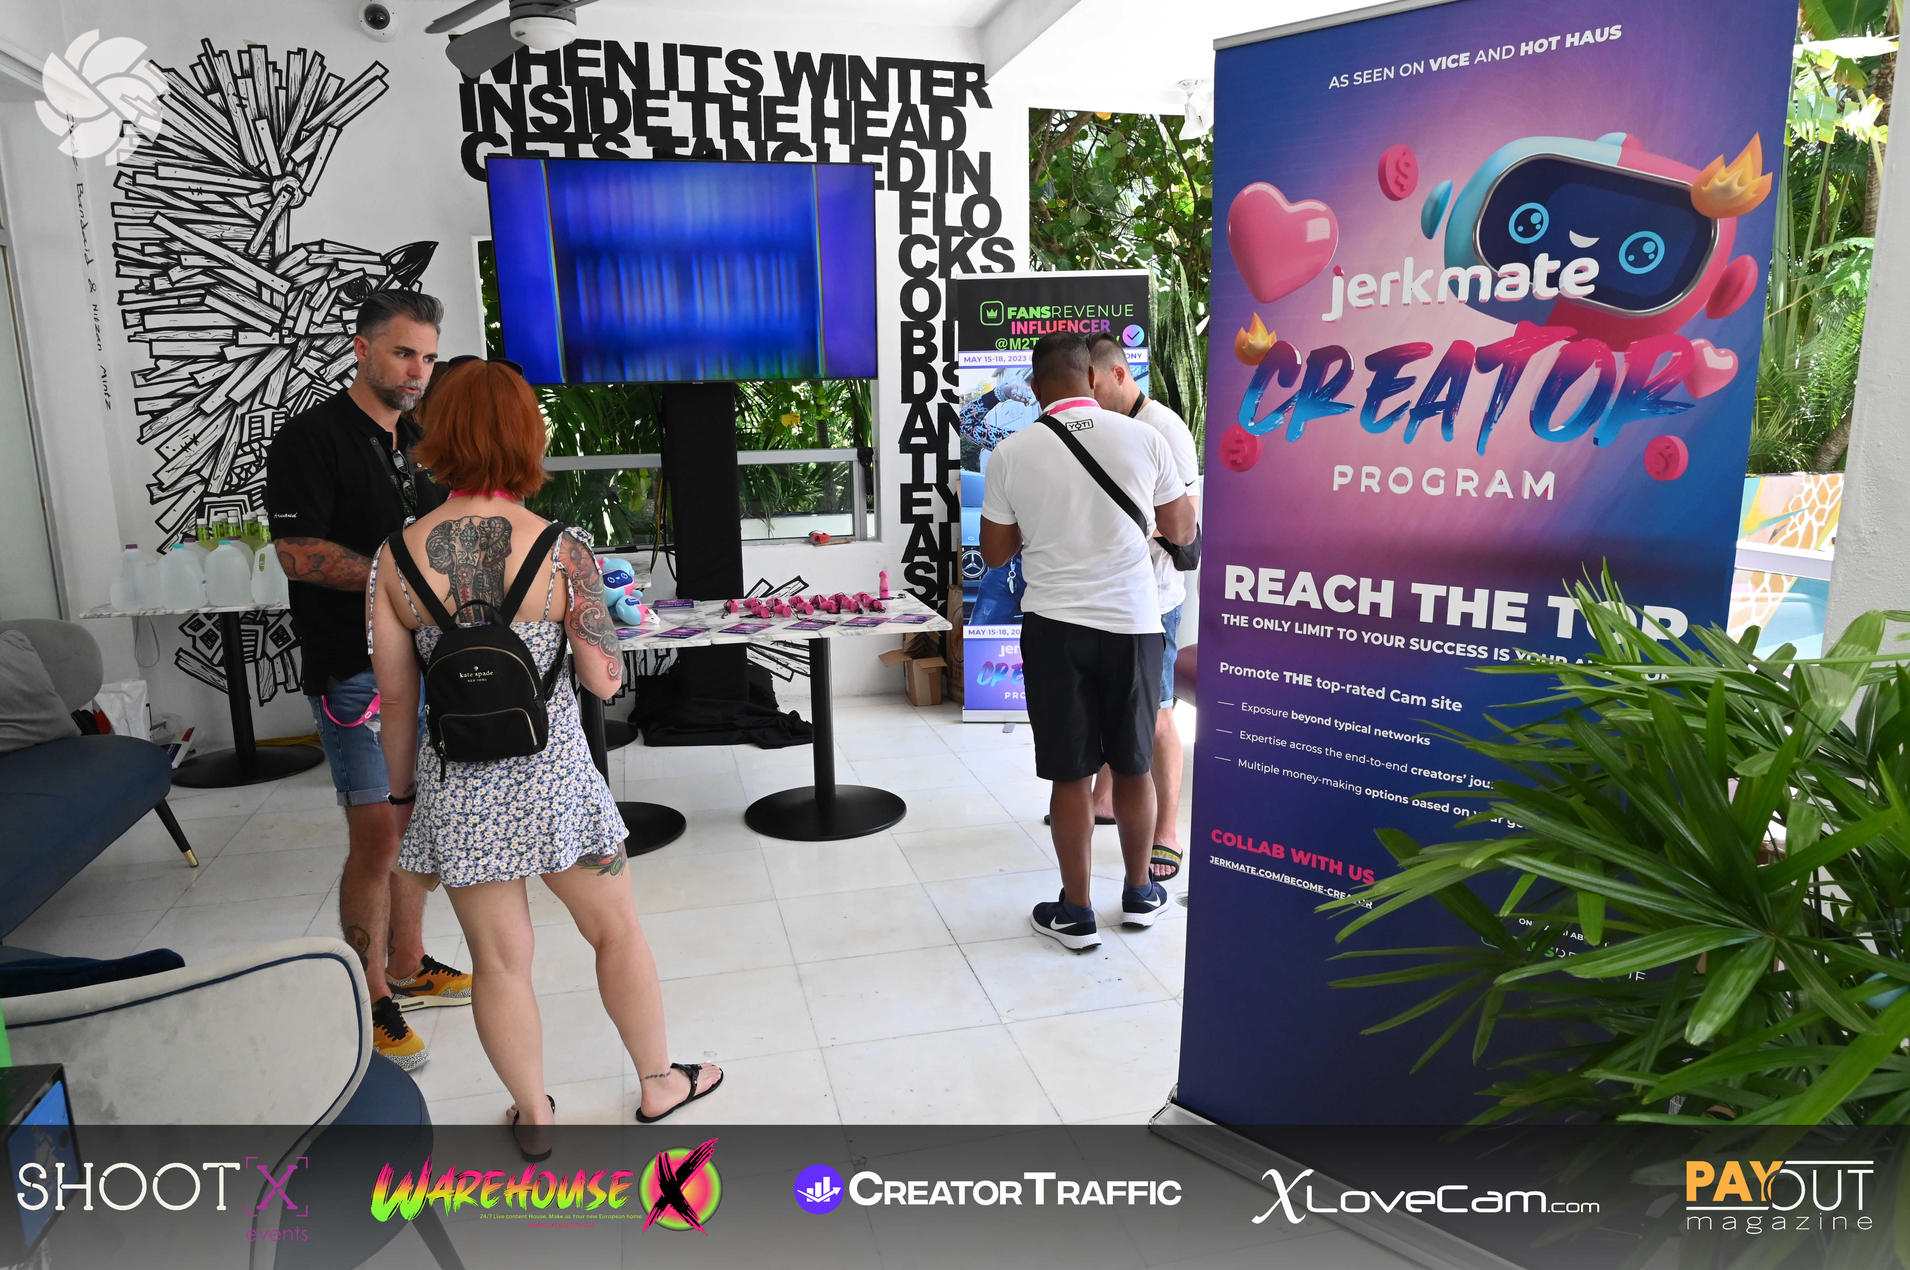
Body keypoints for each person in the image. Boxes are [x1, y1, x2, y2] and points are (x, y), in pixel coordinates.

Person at [367, 360, 722, 1151]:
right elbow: (603, 680)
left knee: (499, 963)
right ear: (527, 435)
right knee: (617, 932)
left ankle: (533, 1114)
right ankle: (659, 1082)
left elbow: (395, 700)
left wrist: (401, 802)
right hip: (556, 783)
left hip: (459, 792)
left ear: (437, 434)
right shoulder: (563, 551)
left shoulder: (394, 558)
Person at [266, 290, 472, 1071]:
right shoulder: (310, 438)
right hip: (353, 671)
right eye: (403, 353)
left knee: (420, 828)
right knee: (379, 840)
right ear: (362, 348)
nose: (418, 371)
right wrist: (405, 582)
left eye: (428, 357)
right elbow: (299, 554)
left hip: (428, 665)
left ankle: (409, 964)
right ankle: (370, 996)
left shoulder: (420, 440)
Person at [979, 332, 1197, 951]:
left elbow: (995, 554)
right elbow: (1182, 529)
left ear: (1035, 387)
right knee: (1132, 766)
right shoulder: (1145, 438)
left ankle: (1075, 912)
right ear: (1093, 378)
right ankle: (1139, 894)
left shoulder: (1011, 452)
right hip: (1134, 625)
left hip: (1055, 630)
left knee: (1071, 774)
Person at [1085, 331, 1200, 884]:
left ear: (1119, 374)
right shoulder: (1104, 427)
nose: (1086, 395)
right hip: (1112, 595)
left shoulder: (1163, 428)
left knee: (1156, 715)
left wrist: (1121, 528)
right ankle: (1103, 799)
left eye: (1093, 384)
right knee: (1115, 702)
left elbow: (1187, 518)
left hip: (1154, 599)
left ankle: (1167, 832)